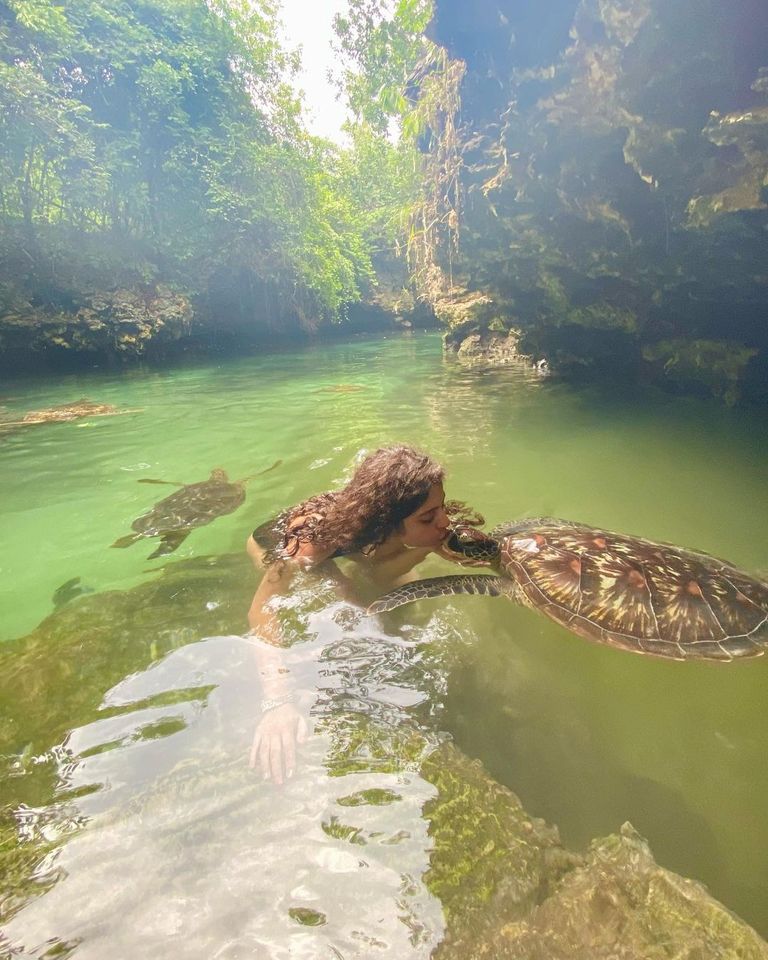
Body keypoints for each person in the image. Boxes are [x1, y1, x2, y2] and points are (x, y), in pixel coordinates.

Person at [245, 444, 484, 783]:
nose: (444, 521)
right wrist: (277, 701)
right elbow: (261, 611)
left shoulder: (384, 521)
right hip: (276, 545)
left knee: (404, 591)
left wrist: (432, 546)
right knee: (352, 602)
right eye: (428, 517)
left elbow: (380, 573)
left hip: (349, 538)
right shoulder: (312, 541)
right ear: (387, 521)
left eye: (441, 507)